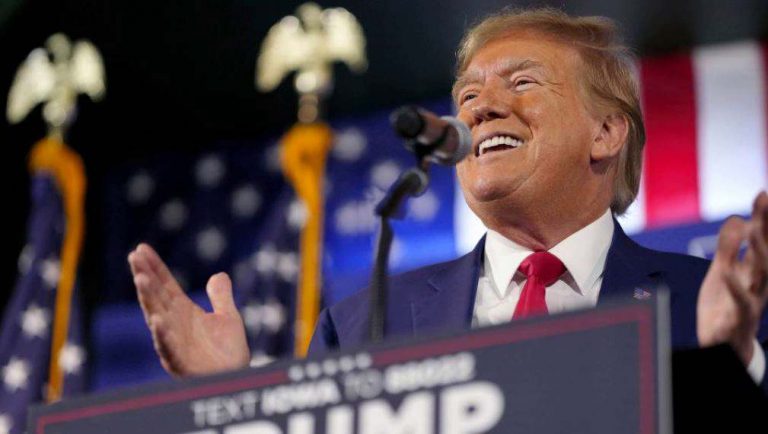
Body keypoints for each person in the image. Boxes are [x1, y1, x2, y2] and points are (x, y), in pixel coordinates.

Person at [127, 8, 768, 390]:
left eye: (523, 82)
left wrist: (735, 366)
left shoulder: (709, 304)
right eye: (468, 96)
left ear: (605, 132)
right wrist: (228, 399)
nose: (482, 108)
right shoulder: (362, 325)